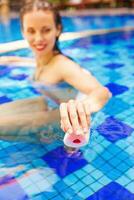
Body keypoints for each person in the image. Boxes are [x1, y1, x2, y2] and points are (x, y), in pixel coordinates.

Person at [0, 0, 111, 147]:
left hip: (59, 119)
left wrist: (82, 109)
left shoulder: (63, 65)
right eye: (31, 31)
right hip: (46, 104)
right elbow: (40, 65)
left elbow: (102, 92)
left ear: (58, 29)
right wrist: (12, 60)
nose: (38, 39)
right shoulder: (41, 58)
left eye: (46, 30)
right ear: (23, 32)